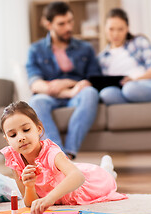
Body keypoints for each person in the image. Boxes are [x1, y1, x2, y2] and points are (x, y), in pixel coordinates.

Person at [0, 101, 127, 214]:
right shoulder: (14, 159)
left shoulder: (50, 152)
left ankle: (107, 169)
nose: (21, 138)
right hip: (65, 175)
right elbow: (29, 203)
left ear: (38, 129)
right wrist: (30, 186)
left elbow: (78, 177)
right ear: (7, 139)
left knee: (107, 179)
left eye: (26, 130)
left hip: (83, 186)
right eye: (13, 135)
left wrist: (49, 198)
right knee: (69, 168)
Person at [26, 1, 102, 160]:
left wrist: (68, 86)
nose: (68, 27)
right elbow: (35, 83)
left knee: (90, 93)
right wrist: (68, 89)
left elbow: (93, 79)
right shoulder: (36, 49)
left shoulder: (85, 48)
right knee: (36, 101)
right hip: (50, 97)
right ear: (48, 24)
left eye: (70, 21)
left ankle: (69, 154)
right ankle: (58, 155)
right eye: (61, 24)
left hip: (78, 94)